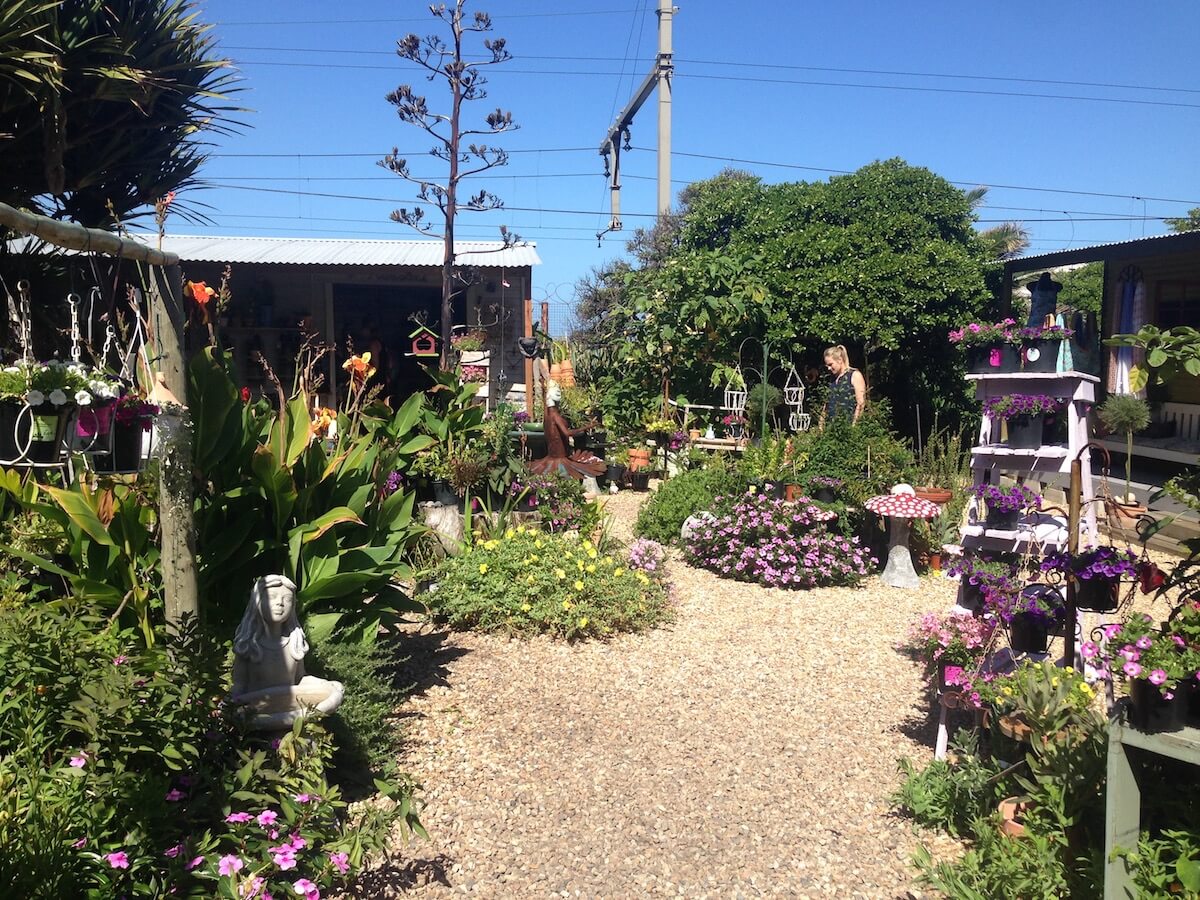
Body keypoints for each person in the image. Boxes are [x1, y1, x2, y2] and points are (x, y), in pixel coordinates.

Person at [230, 574, 343, 729]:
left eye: (287, 599)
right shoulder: (249, 645)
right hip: (258, 718)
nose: (280, 603)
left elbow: (300, 678)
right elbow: (239, 685)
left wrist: (325, 684)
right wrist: (228, 706)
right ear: (257, 602)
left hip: (292, 713)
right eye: (272, 597)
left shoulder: (294, 643)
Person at [527, 354, 604, 479]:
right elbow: (567, 433)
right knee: (591, 466)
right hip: (559, 459)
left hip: (551, 456)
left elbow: (544, 399)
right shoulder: (555, 415)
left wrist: (543, 385)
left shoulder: (546, 413)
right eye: (558, 392)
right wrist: (589, 426)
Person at [822, 345, 866, 425]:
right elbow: (827, 404)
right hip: (831, 429)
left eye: (830, 364)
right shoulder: (832, 379)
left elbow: (860, 403)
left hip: (848, 427)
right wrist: (821, 424)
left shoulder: (854, 375)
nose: (829, 368)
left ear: (840, 360)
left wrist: (854, 426)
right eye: (827, 366)